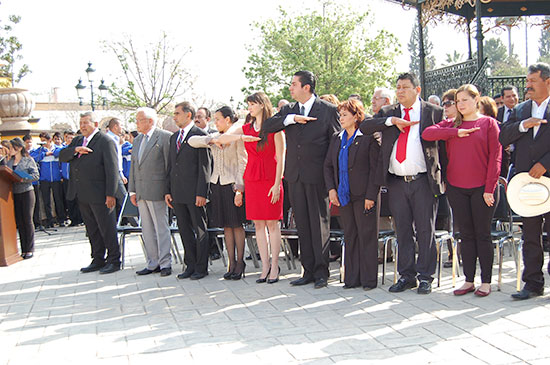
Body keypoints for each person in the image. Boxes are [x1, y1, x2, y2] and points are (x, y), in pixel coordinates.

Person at [360, 72, 445, 295]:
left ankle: (426, 276)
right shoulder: (389, 112)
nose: (400, 91)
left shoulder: (432, 112)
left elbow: (443, 147)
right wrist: (390, 122)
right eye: (397, 87)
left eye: (405, 87)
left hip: (423, 181)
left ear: (417, 90)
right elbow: (365, 127)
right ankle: (407, 276)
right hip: (397, 182)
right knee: (403, 231)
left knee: (425, 230)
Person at [262, 70, 340, 289]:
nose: (291, 88)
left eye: (294, 84)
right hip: (295, 175)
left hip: (318, 177)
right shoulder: (288, 110)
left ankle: (321, 272)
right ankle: (308, 270)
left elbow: (334, 145)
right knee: (303, 225)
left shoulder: (328, 110)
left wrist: (332, 179)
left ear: (307, 87)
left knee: (319, 224)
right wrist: (291, 119)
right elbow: (267, 127)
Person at [423, 84, 502, 297]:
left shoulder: (489, 124)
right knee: (465, 235)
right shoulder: (451, 124)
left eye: (465, 100)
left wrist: (489, 188)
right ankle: (468, 280)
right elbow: (428, 133)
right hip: (457, 187)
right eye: (458, 101)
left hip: (482, 189)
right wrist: (456, 132)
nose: (460, 105)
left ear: (476, 100)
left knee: (482, 234)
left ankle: (485, 281)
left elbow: (496, 157)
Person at [218, 92, 285, 283]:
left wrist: (276, 184)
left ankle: (274, 267)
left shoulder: (274, 128)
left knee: (272, 223)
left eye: (252, 104)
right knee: (258, 224)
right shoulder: (246, 128)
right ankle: (264, 266)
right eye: (248, 104)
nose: (249, 108)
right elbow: (223, 138)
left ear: (262, 105)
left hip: (271, 178)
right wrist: (241, 137)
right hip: (253, 179)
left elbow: (281, 156)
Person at [499, 62, 550, 300]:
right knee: (529, 234)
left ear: (547, 81)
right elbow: (503, 136)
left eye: (532, 81)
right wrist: (523, 125)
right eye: (527, 81)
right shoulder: (520, 110)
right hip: (526, 183)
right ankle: (532, 283)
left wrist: (546, 164)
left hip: (548, 178)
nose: (527, 85)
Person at [187, 106, 248, 280]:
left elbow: (242, 163)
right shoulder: (214, 136)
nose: (216, 122)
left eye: (218, 119)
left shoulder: (237, 137)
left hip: (231, 184)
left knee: (236, 224)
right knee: (226, 226)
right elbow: (192, 141)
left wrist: (239, 188)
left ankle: (240, 261)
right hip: (216, 183)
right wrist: (211, 141)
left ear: (228, 120)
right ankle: (231, 262)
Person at [324, 99, 380, 290]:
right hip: (343, 194)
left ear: (356, 116)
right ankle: (352, 278)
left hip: (364, 195)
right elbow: (328, 166)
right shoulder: (337, 138)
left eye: (345, 115)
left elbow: (375, 169)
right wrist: (332, 189)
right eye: (340, 115)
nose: (341, 118)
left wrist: (371, 196)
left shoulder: (367, 137)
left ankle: (368, 279)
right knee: (350, 235)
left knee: (366, 235)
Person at [59, 111, 121, 274]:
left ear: (95, 124)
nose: (82, 126)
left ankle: (114, 259)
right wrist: (75, 150)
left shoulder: (105, 141)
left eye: (86, 123)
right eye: (81, 123)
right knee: (92, 228)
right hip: (82, 193)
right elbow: (63, 155)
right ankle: (98, 258)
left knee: (106, 227)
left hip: (100, 193)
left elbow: (112, 169)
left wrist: (110, 193)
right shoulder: (79, 140)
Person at [166, 102, 212, 280]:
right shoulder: (174, 137)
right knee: (184, 229)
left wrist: (202, 193)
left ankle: (201, 267)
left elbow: (205, 167)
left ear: (188, 115)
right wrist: (168, 190)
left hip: (195, 193)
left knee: (199, 229)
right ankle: (190, 264)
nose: (174, 116)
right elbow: (171, 165)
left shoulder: (200, 135)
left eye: (177, 113)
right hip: (178, 192)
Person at [129, 107, 173, 277]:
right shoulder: (138, 140)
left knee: (161, 227)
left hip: (158, 190)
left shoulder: (164, 137)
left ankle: (165, 262)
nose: (137, 123)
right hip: (140, 191)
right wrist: (132, 190)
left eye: (139, 120)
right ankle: (152, 262)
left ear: (150, 121)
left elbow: (169, 166)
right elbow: (134, 166)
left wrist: (168, 190)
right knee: (146, 228)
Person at [7, 137, 39, 259]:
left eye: (11, 147)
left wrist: (22, 177)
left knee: (27, 220)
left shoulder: (28, 160)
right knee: (19, 221)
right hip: (14, 194)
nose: (9, 150)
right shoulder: (9, 162)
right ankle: (23, 249)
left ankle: (30, 248)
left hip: (26, 192)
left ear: (19, 148)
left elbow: (35, 176)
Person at [35, 132, 65, 228]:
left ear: (49, 140)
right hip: (44, 179)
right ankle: (49, 221)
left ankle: (61, 219)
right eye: (41, 141)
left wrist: (52, 153)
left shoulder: (56, 149)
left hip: (56, 179)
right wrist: (45, 154)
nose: (43, 143)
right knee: (46, 201)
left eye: (44, 141)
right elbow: (34, 157)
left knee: (58, 199)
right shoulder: (39, 151)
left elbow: (62, 151)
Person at [53, 130, 83, 227]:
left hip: (76, 179)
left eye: (71, 137)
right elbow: (57, 153)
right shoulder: (64, 149)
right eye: (67, 137)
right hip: (66, 179)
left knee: (79, 199)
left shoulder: (78, 148)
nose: (70, 139)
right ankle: (73, 219)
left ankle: (80, 219)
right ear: (65, 138)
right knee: (69, 199)